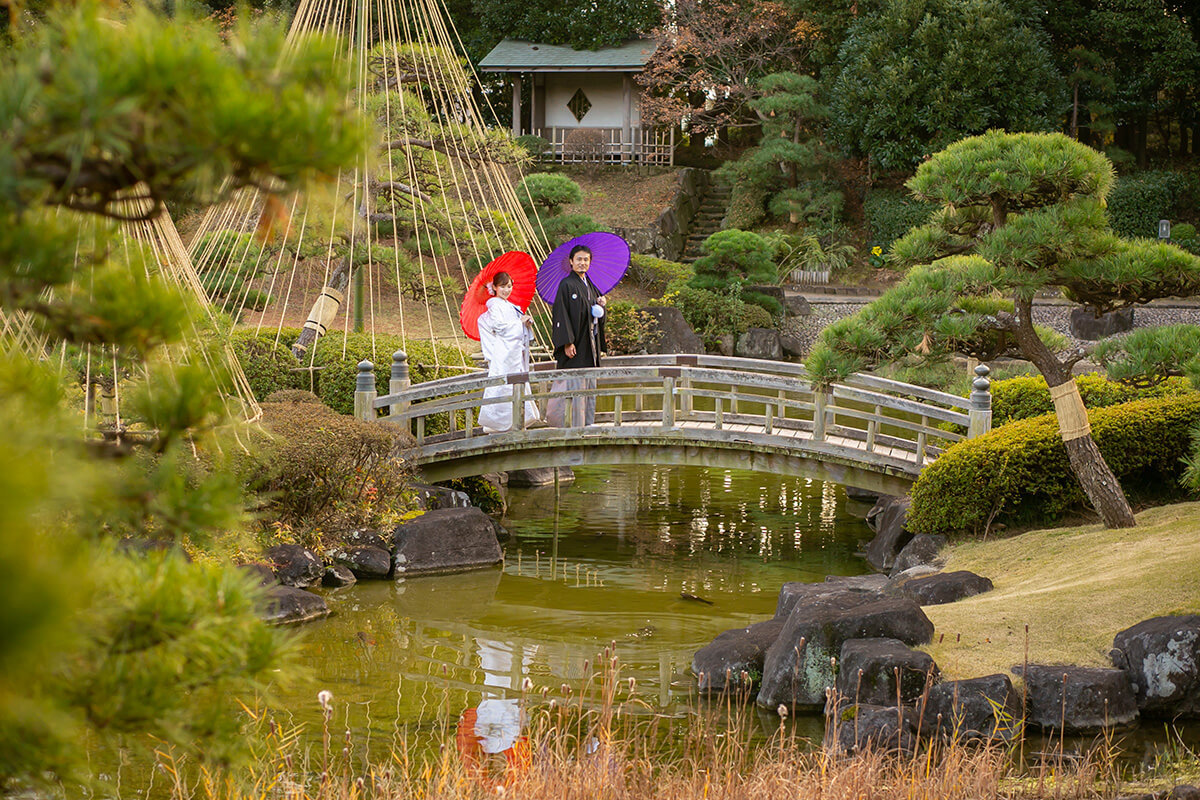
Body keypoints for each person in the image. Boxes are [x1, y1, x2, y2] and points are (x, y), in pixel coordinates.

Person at [548, 244, 606, 427]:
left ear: (590, 262)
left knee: (589, 386)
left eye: (586, 260)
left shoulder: (591, 286)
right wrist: (567, 342)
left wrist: (602, 307)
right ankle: (573, 425)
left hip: (590, 345)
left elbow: (595, 315)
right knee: (574, 386)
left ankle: (587, 423)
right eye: (579, 259)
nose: (582, 263)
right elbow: (561, 314)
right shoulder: (566, 285)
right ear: (571, 262)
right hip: (575, 346)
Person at [476, 271, 540, 433]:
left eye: (509, 286)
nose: (506, 290)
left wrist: (525, 324)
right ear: (495, 288)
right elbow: (500, 328)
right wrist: (518, 323)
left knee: (516, 383)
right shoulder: (495, 306)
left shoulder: (509, 306)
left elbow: (514, 327)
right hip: (503, 353)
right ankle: (500, 424)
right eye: (503, 287)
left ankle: (517, 422)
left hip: (513, 352)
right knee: (504, 385)